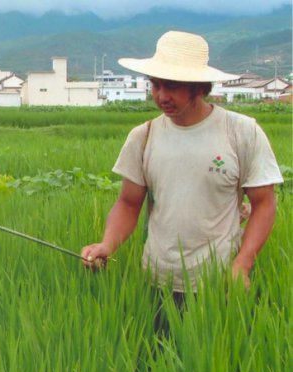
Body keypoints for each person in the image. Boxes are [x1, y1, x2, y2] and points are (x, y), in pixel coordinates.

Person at [81, 30, 283, 292]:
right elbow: (129, 204)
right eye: (156, 85)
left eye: (172, 86)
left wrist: (242, 264)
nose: (162, 96)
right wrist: (107, 245)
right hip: (156, 281)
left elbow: (264, 204)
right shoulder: (143, 136)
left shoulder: (241, 132)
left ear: (198, 87)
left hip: (218, 284)